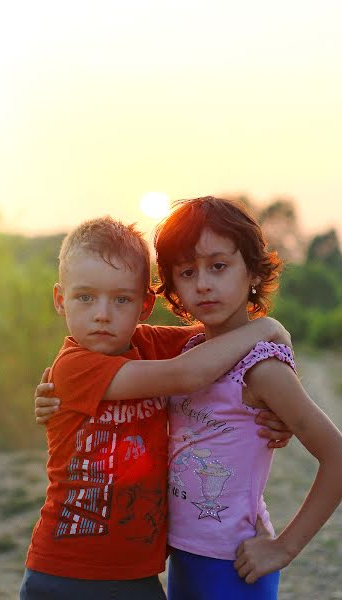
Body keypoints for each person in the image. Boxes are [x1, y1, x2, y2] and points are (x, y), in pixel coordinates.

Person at [22, 215, 291, 600]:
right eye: (85, 296)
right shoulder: (73, 366)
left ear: (145, 304)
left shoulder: (146, 342)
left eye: (121, 299)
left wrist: (283, 405)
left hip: (138, 572)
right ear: (60, 300)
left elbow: (222, 336)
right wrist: (266, 328)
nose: (102, 313)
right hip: (66, 571)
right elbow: (188, 373)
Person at [151, 196, 342, 600]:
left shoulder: (261, 369)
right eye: (187, 272)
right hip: (182, 558)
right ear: (173, 287)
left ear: (253, 272)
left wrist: (285, 548)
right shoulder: (189, 353)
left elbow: (337, 455)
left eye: (218, 266)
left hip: (235, 566)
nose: (203, 283)